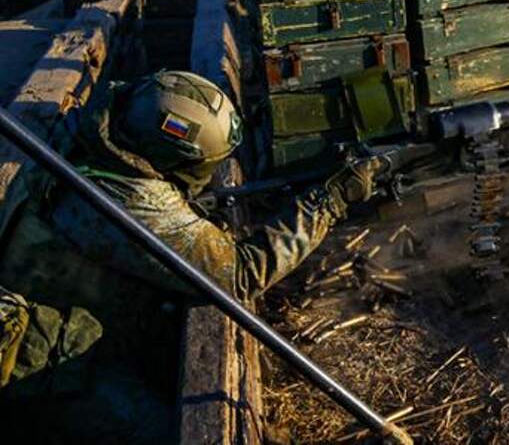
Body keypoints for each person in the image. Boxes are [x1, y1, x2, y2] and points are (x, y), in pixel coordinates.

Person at [0, 71, 381, 443]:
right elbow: (240, 276)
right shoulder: (133, 200)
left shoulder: (98, 130)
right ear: (176, 158)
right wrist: (327, 203)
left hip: (66, 311)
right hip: (48, 363)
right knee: (168, 429)